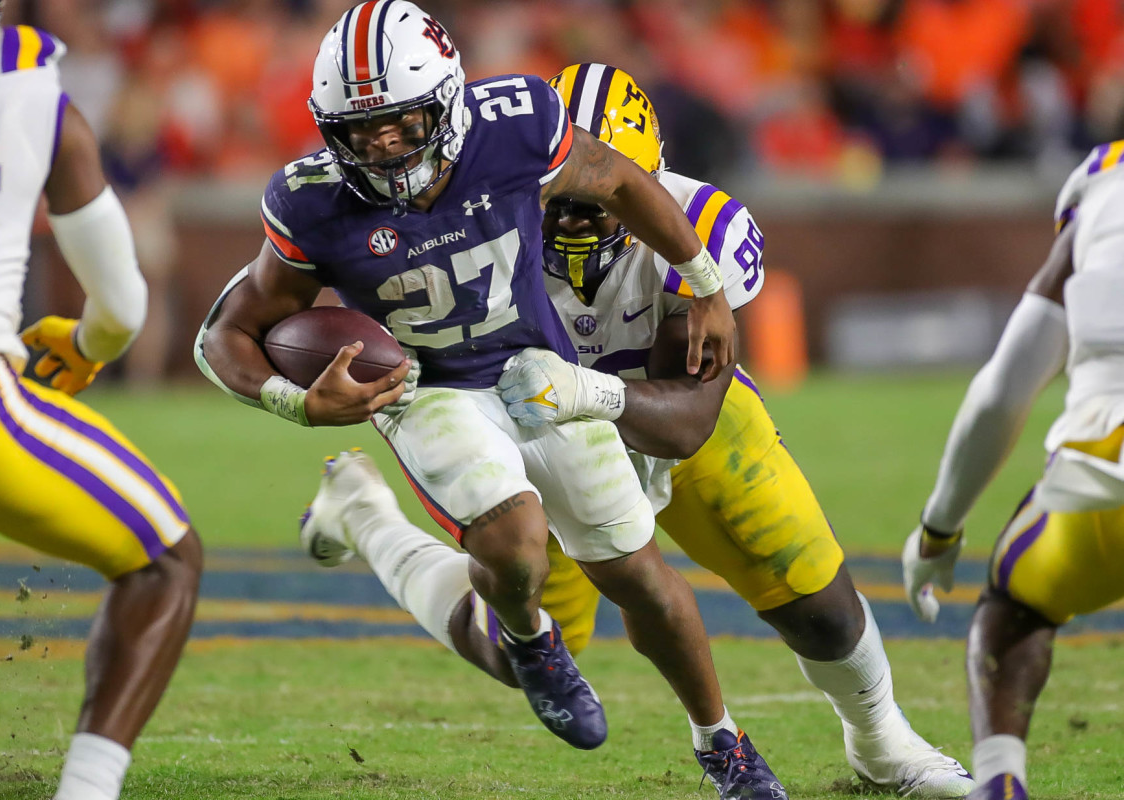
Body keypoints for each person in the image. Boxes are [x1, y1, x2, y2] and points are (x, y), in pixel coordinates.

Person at [301, 64, 976, 798]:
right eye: (558, 200)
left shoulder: (699, 226)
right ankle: (367, 516)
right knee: (514, 649)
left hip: (675, 420)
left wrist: (585, 391)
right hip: (531, 435)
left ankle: (882, 743)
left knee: (815, 599)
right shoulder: (473, 215)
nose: (572, 220)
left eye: (595, 201)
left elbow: (685, 423)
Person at [196, 3, 772, 796]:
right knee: (516, 539)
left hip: (537, 367)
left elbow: (619, 178)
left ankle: (723, 743)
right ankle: (532, 638)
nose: (383, 146)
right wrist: (295, 403)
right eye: (360, 131)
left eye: (401, 123)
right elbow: (223, 336)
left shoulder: (519, 127)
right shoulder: (311, 203)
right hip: (426, 389)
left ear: (449, 101)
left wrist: (704, 282)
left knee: (641, 578)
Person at [0, 6, 202, 800]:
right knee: (167, 560)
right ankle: (86, 790)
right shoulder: (29, 88)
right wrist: (85, 345)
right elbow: (120, 306)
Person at [904, 140, 1124, 800]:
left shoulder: (1105, 187)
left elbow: (1004, 391)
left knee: (1016, 606)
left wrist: (940, 528)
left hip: (1109, 468)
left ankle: (1000, 780)